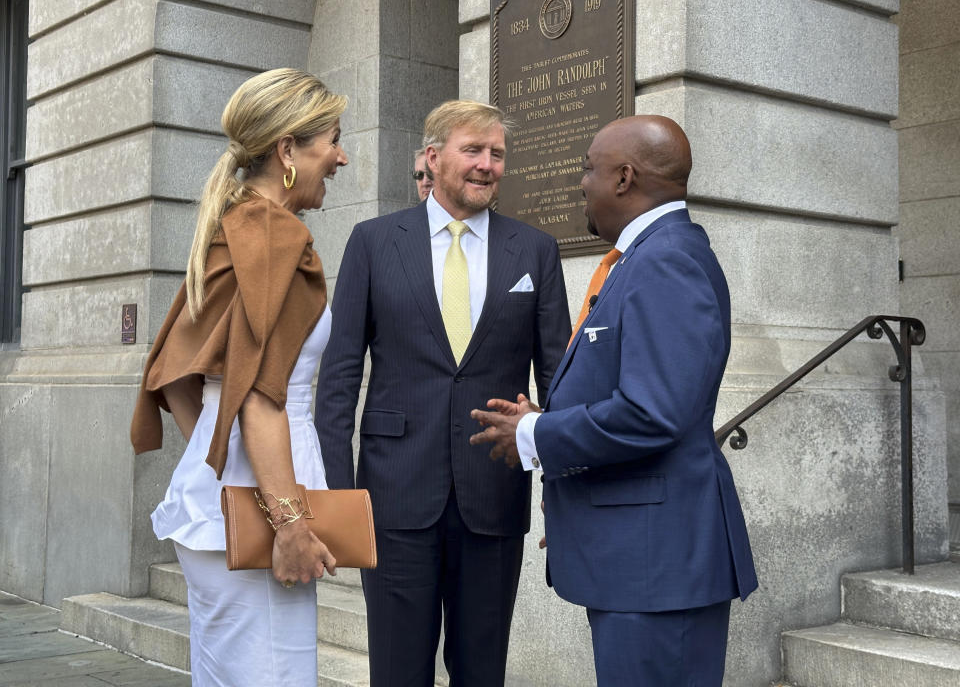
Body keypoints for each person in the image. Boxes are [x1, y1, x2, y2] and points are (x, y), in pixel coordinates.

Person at [470, 115, 758, 686]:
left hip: (657, 567)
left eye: (588, 168)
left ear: (624, 178)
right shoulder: (646, 257)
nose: (580, 183)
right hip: (641, 561)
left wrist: (534, 435)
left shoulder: (666, 260)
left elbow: (653, 414)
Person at [315, 99, 570, 686]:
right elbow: (338, 383)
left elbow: (557, 378)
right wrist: (339, 503)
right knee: (398, 672)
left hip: (494, 494)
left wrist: (563, 489)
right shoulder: (374, 242)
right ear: (432, 157)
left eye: (498, 153)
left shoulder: (535, 249)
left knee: (483, 672)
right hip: (394, 499)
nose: (488, 165)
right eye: (473, 150)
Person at [130, 68, 349, 686]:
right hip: (264, 515)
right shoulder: (276, 235)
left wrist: (213, 455)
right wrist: (289, 521)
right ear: (287, 150)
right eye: (331, 139)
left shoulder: (231, 226)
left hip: (218, 505)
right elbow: (259, 397)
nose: (341, 156)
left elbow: (172, 373)